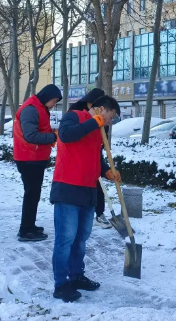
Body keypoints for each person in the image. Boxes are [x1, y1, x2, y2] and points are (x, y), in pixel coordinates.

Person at [50, 94, 121, 302]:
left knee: (81, 239)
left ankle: (76, 276)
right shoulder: (73, 116)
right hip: (67, 188)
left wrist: (106, 171)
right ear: (101, 109)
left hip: (88, 190)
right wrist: (95, 122)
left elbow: (95, 156)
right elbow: (66, 135)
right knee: (65, 239)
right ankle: (61, 284)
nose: (110, 121)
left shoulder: (100, 129)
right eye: (110, 116)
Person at [13, 84, 62, 243]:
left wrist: (50, 134)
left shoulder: (39, 107)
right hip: (28, 158)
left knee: (34, 194)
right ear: (47, 97)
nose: (54, 104)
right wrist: (53, 137)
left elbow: (40, 130)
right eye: (54, 101)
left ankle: (30, 225)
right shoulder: (31, 109)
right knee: (31, 194)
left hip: (34, 158)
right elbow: (31, 135)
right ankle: (25, 231)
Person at [69, 87, 112, 228]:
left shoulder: (102, 118)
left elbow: (102, 138)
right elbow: (69, 134)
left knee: (97, 185)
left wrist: (104, 167)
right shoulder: (75, 113)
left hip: (94, 155)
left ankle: (99, 213)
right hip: (76, 159)